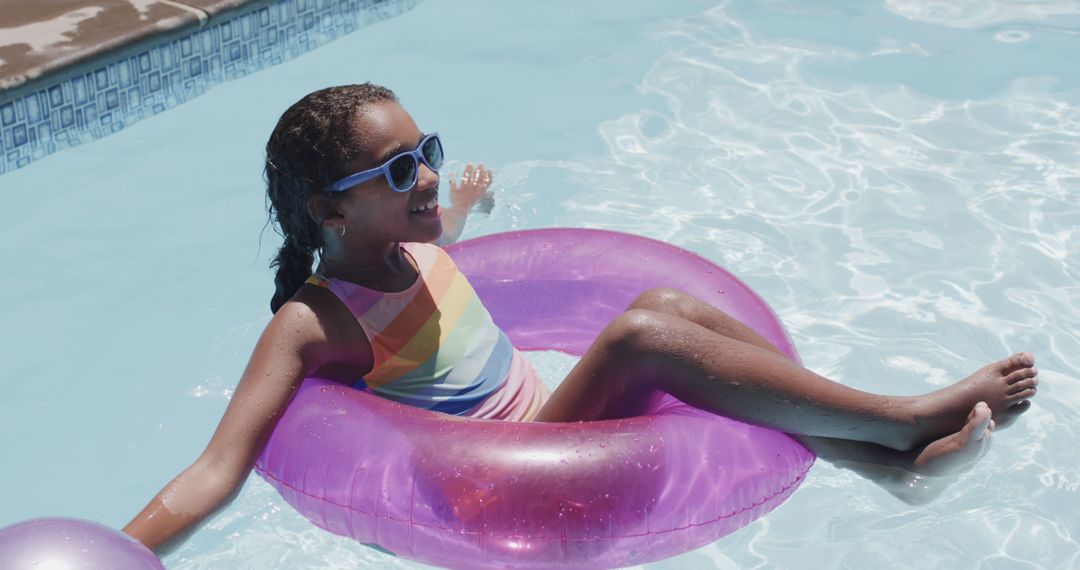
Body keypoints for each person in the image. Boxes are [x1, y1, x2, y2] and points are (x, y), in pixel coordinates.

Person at [123, 83, 1039, 551]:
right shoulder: (314, 322)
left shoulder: (408, 245)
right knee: (644, 337)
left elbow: (439, 263)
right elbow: (214, 470)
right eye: (401, 173)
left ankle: (888, 470)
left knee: (670, 307)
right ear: (329, 212)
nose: (432, 179)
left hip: (550, 421)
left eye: (428, 152)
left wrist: (463, 205)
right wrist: (121, 551)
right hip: (500, 492)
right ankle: (900, 416)